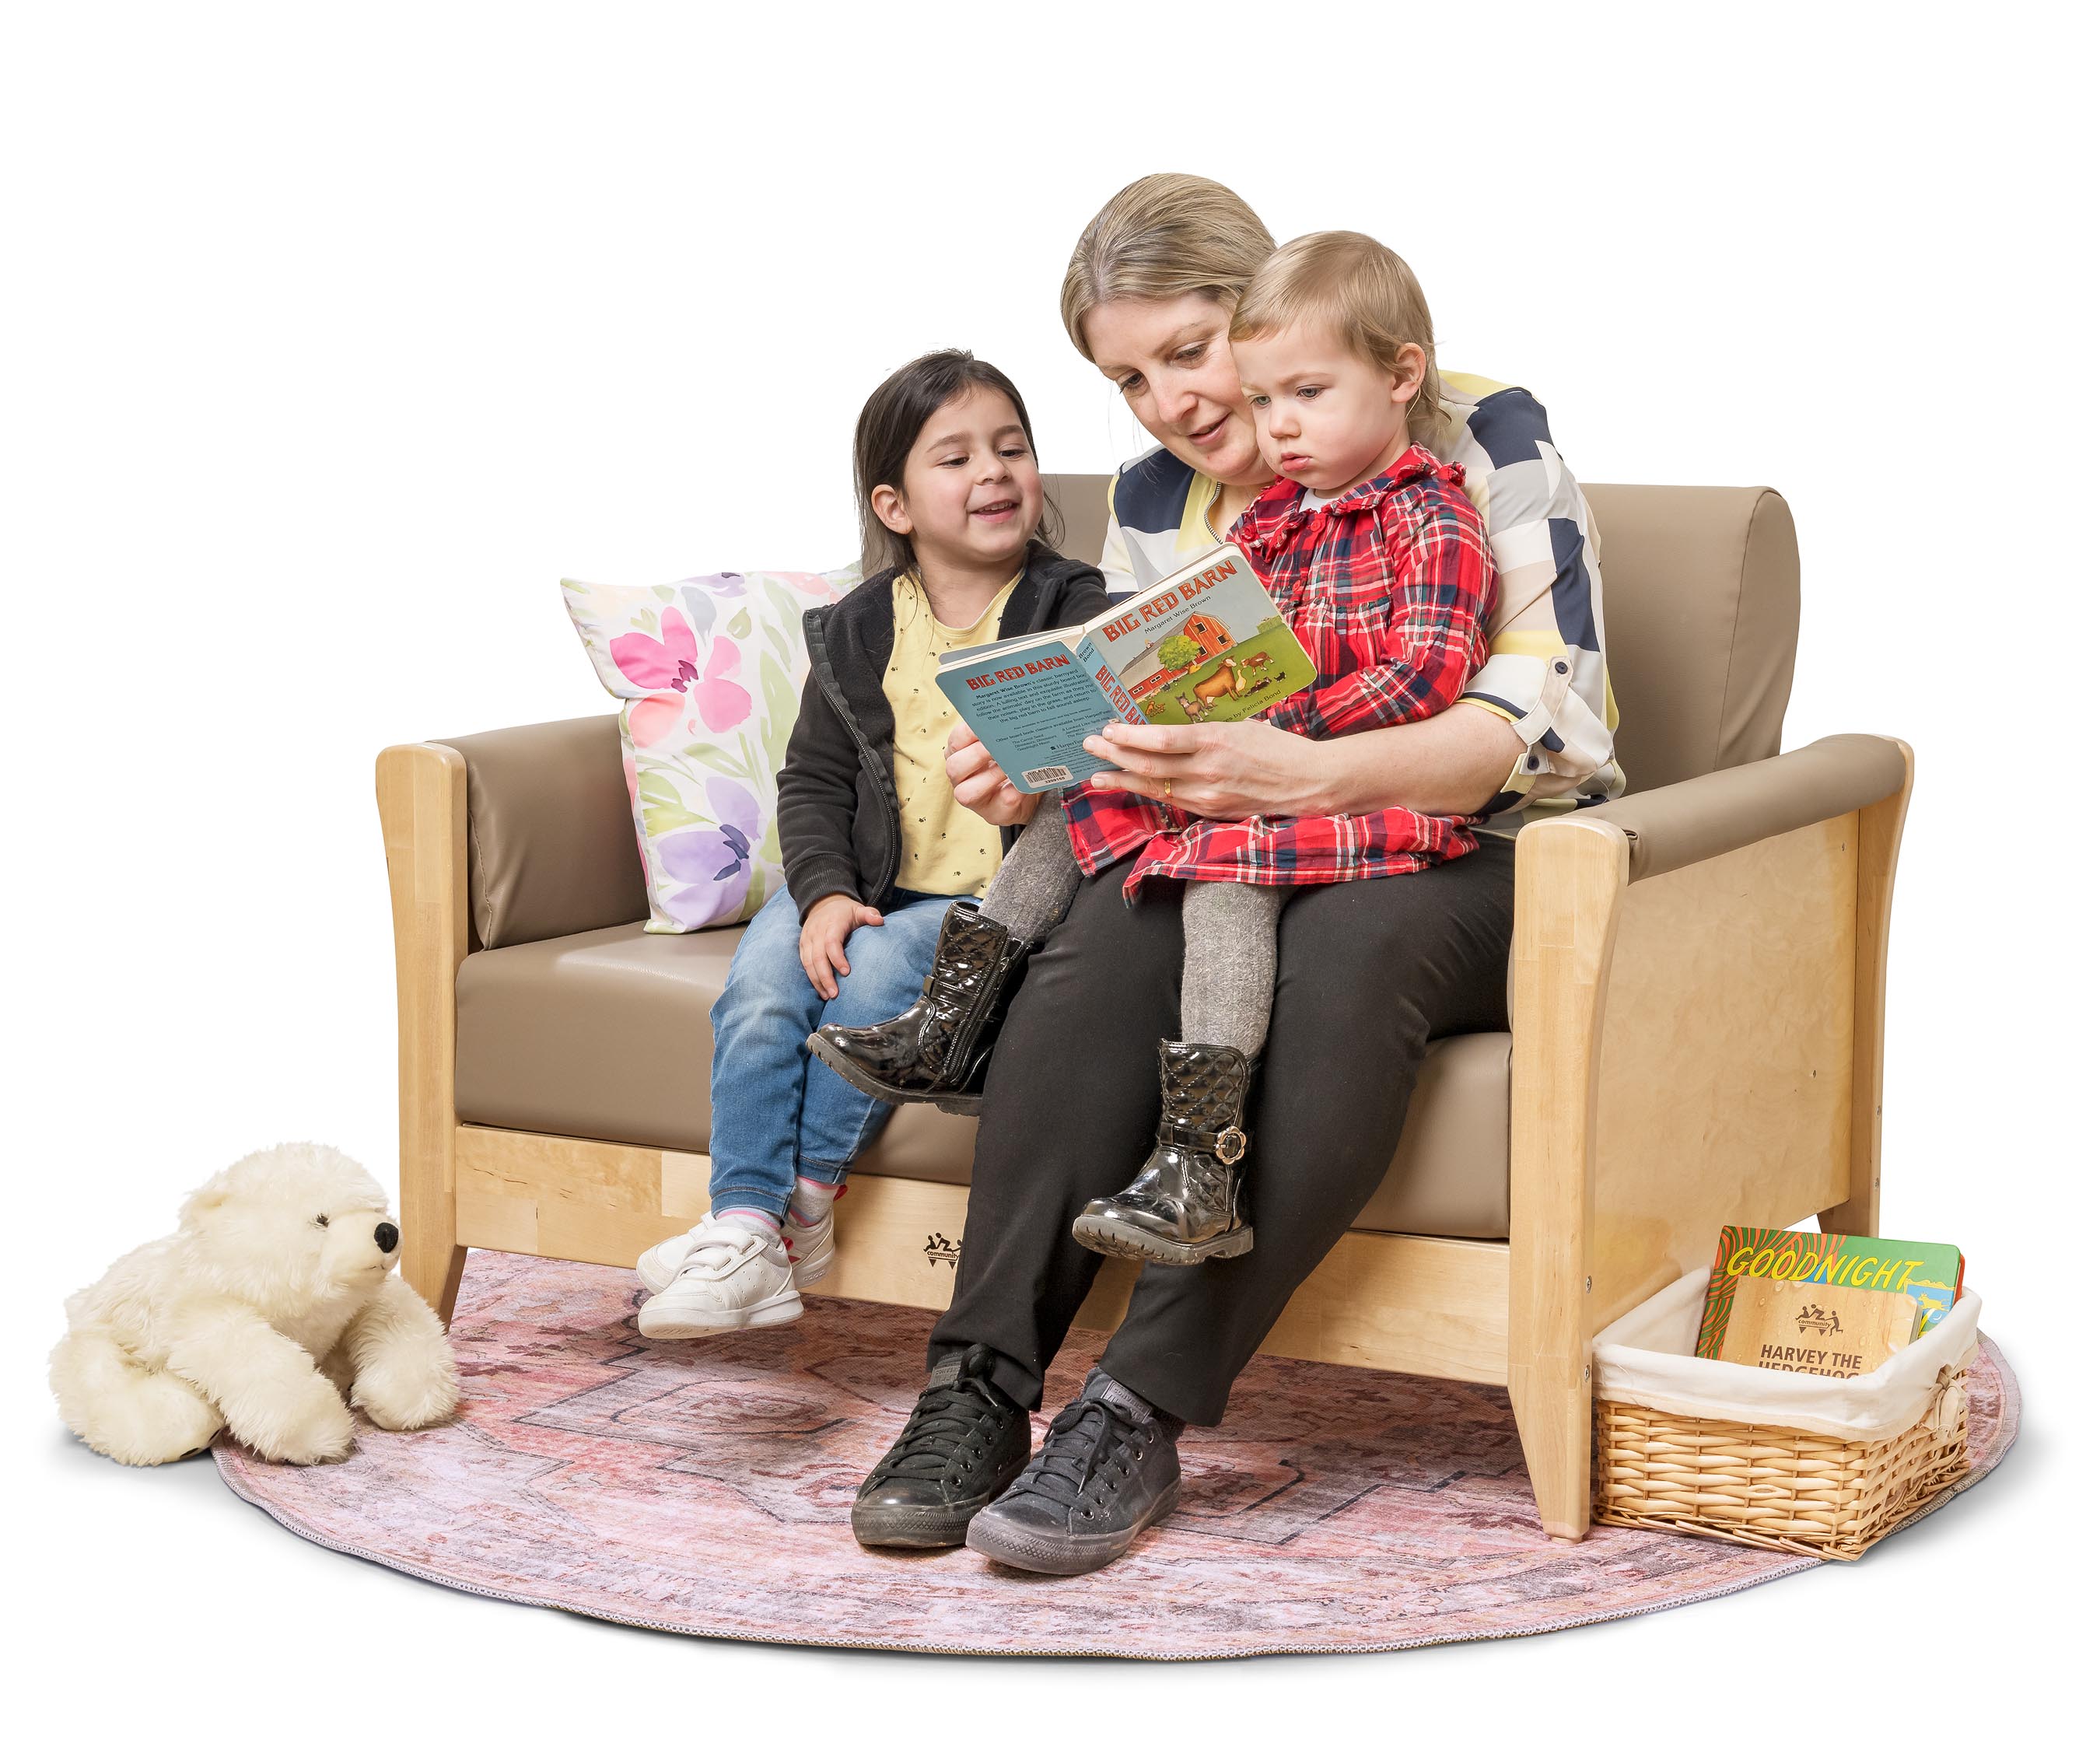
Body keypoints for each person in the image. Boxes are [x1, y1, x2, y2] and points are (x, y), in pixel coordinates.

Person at [848, 174, 1622, 1577]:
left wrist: (1304, 771)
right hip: (1240, 830)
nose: (1175, 407)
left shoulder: (1477, 433)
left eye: (1192, 353)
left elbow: (1542, 717)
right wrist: (1054, 760)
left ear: (1267, 312)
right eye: (1129, 378)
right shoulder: (1167, 497)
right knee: (1096, 935)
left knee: (1347, 958)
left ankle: (1137, 1409)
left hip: (1484, 835)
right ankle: (975, 1385)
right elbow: (1164, 708)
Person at [814, 232, 1497, 1275]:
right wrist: (1127, 712)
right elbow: (1214, 636)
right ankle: (950, 1025)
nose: (1279, 429)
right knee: (1077, 805)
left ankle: (1199, 1159)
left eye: (1303, 396)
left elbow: (1424, 679)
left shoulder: (1429, 509)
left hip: (1350, 785)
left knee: (1223, 876)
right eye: (1268, 403)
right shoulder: (1270, 520)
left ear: (1402, 375)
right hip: (1246, 765)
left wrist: (1275, 731)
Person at [631, 348, 1107, 1341]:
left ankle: (806, 1205)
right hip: (866, 882)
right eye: (957, 457)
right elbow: (812, 780)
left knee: (877, 976)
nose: (994, 472)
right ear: (894, 505)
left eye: (1012, 448)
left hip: (985, 901)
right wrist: (823, 893)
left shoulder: (1074, 607)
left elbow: (1091, 770)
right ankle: (747, 1223)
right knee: (762, 989)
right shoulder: (855, 628)